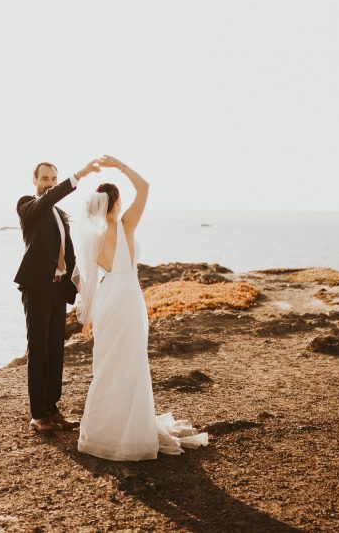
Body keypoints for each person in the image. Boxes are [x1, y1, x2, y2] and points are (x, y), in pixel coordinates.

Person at [72, 154, 209, 460]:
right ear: (116, 202)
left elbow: (89, 283)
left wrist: (87, 320)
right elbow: (144, 187)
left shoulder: (93, 238)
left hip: (107, 302)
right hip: (127, 300)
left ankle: (100, 434)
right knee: (131, 365)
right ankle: (130, 434)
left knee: (107, 367)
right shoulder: (124, 226)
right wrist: (121, 166)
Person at [14, 159, 101, 433]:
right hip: (36, 288)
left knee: (55, 351)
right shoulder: (27, 206)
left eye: (53, 178)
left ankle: (53, 410)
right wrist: (79, 175)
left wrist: (77, 287)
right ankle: (38, 415)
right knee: (39, 350)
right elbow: (46, 200)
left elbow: (69, 251)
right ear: (35, 180)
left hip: (57, 287)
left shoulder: (60, 214)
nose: (49, 183)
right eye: (45, 178)